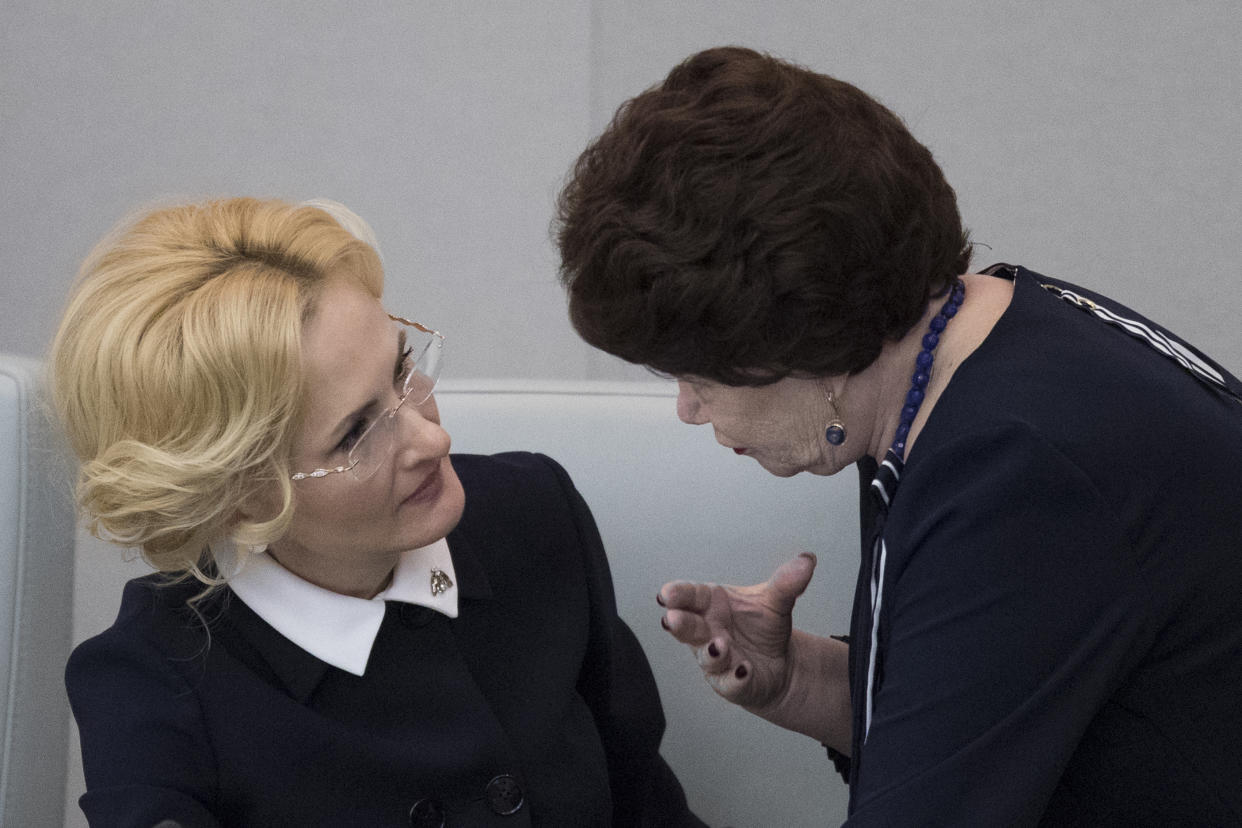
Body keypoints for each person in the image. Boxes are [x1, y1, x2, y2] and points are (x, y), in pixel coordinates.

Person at [554, 46, 1242, 825]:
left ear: (798, 338)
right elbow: (1021, 709)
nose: (688, 408)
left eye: (697, 375)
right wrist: (807, 682)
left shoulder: (1017, 475)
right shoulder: (978, 349)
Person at [54, 197, 705, 828]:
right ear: (230, 496)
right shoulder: (150, 685)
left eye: (402, 372)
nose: (433, 440)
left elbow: (645, 807)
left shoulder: (533, 511)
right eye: (355, 434)